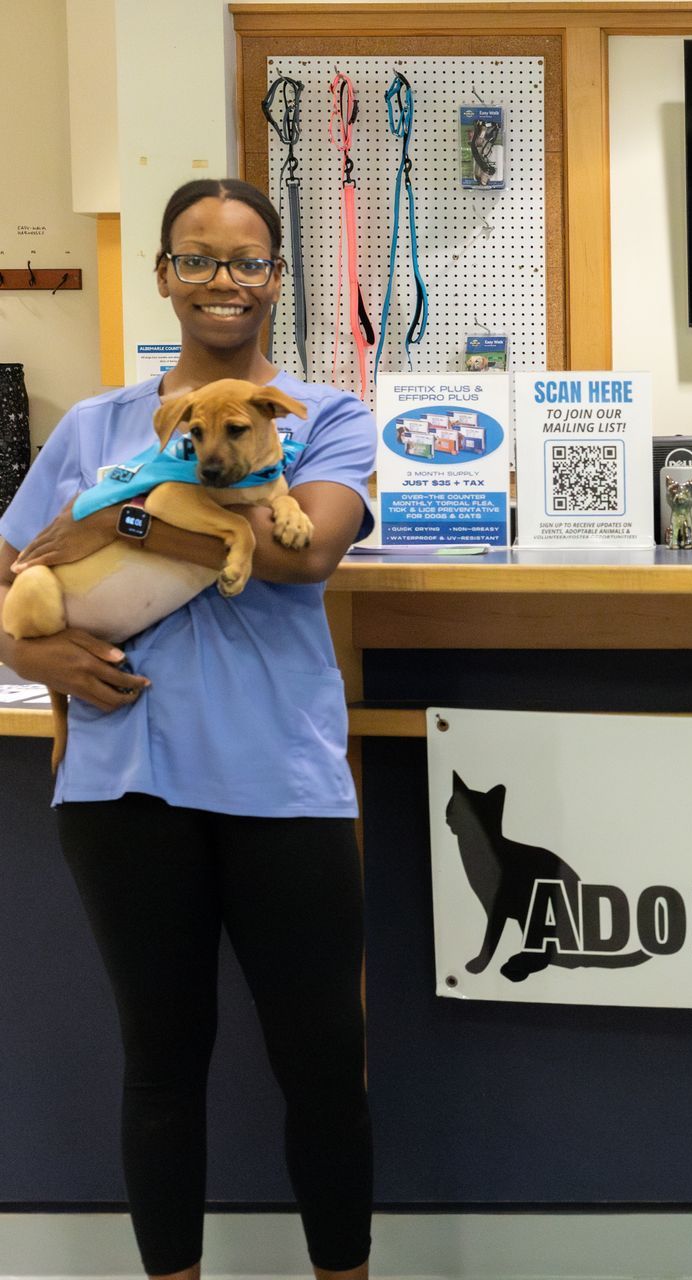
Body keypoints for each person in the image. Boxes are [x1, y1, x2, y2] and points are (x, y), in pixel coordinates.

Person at [0, 179, 376, 1280]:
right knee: (162, 1062)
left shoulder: (328, 415)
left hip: (284, 778)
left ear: (275, 279)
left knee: (323, 1061)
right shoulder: (98, 424)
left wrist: (128, 515)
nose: (224, 281)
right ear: (165, 274)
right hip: (128, 782)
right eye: (199, 259)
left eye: (247, 261)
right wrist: (34, 651)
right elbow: (18, 568)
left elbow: (306, 553)